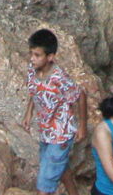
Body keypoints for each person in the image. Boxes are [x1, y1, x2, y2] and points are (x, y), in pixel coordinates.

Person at [24, 28, 86, 195]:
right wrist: (28, 112)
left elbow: (80, 96)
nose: (32, 58)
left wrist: (82, 127)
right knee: (60, 167)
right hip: (45, 130)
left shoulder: (59, 78)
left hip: (60, 134)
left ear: (50, 57)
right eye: (31, 54)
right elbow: (33, 91)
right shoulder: (32, 70)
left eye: (37, 55)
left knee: (45, 183)